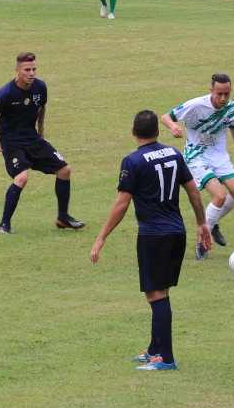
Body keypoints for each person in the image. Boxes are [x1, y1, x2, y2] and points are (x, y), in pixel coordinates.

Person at [87, 110, 212, 372]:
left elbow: (121, 204)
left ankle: (166, 359)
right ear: (158, 132)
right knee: (161, 290)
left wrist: (100, 239)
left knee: (156, 295)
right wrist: (202, 223)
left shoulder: (132, 162)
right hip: (177, 232)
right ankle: (154, 349)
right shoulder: (174, 154)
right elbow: (194, 194)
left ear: (133, 131)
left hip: (154, 235)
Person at [0, 52, 83, 234]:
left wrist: (41, 131)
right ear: (17, 71)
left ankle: (63, 217)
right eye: (27, 70)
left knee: (65, 170)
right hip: (11, 141)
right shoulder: (6, 93)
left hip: (32, 138)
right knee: (21, 178)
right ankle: (3, 224)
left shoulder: (40, 87)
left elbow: (41, 107)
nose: (31, 73)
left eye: (34, 69)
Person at [164, 73, 234, 260]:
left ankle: (211, 223)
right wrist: (173, 126)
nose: (223, 99)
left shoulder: (231, 108)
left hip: (219, 157)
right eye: (219, 94)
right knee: (219, 196)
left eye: (227, 94)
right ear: (211, 91)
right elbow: (166, 116)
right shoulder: (196, 105)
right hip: (197, 157)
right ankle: (202, 243)